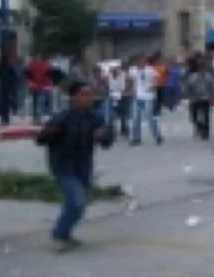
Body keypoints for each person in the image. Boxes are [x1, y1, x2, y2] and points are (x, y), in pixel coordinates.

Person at [35, 81, 113, 253]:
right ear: (73, 97)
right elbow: (40, 139)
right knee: (76, 200)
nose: (88, 98)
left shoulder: (95, 118)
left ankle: (64, 234)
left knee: (79, 204)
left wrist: (103, 136)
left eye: (90, 94)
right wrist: (47, 134)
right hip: (63, 166)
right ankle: (58, 234)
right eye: (83, 94)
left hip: (84, 166)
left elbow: (108, 140)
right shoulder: (61, 118)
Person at [128, 55, 164, 146]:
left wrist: (153, 87)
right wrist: (132, 91)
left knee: (149, 116)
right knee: (136, 117)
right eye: (138, 61)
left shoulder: (150, 70)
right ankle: (136, 138)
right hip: (138, 96)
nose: (140, 63)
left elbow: (157, 80)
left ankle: (157, 135)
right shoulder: (133, 70)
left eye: (142, 61)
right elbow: (131, 82)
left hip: (148, 95)